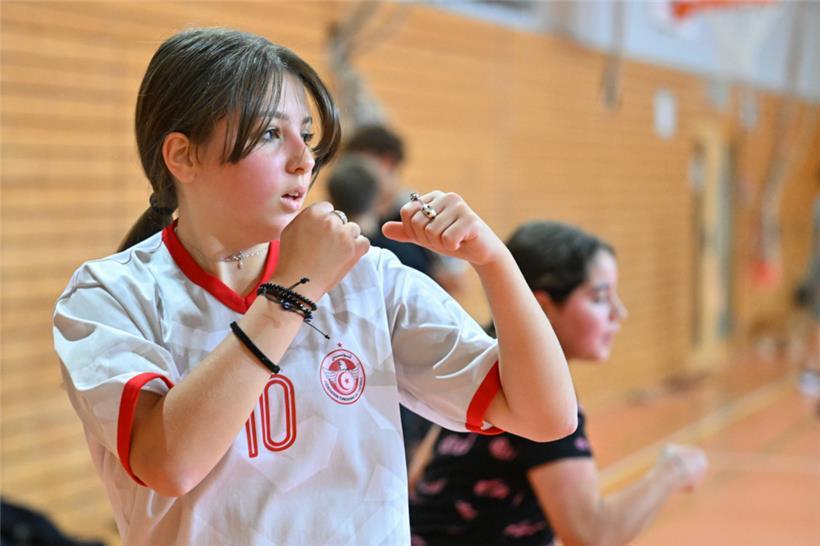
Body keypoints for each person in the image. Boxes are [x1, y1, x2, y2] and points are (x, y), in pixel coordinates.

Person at [52, 28, 577, 546]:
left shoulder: (369, 275)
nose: (304, 160)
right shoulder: (108, 296)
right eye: (268, 134)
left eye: (305, 134)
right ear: (182, 156)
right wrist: (294, 291)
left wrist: (493, 259)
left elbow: (545, 415)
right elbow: (169, 463)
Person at [409, 221, 709, 546]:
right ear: (542, 307)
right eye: (599, 298)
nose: (618, 313)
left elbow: (416, 478)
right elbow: (593, 535)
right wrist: (673, 471)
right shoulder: (537, 402)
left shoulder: (479, 357)